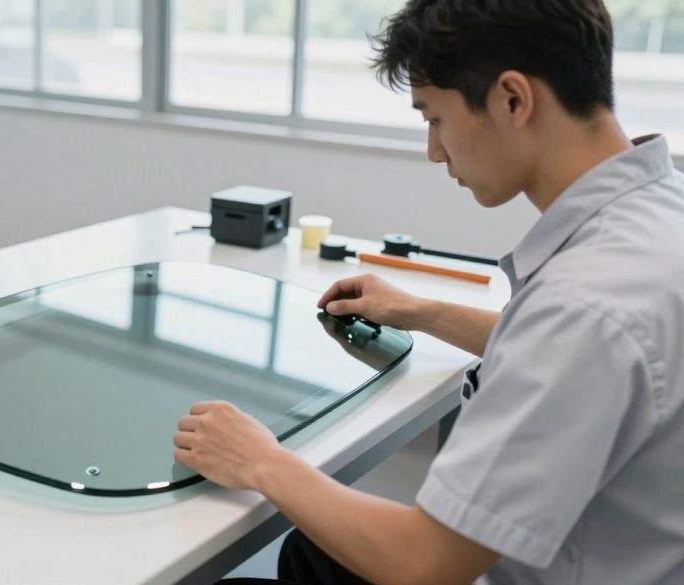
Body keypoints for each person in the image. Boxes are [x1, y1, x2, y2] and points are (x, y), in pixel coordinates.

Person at [172, 0, 684, 583]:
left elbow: (426, 564)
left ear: (513, 99)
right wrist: (422, 311)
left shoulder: (585, 305)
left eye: (435, 119)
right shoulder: (660, 215)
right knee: (311, 556)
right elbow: (588, 359)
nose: (434, 151)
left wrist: (261, 461)